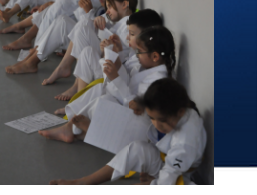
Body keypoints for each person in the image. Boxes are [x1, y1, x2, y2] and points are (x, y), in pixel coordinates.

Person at [48, 78, 207, 186]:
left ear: (180, 112)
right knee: (136, 148)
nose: (157, 124)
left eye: (162, 120)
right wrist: (142, 107)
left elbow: (171, 174)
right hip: (163, 157)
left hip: (179, 176)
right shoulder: (177, 108)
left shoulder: (185, 142)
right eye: (152, 117)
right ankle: (82, 182)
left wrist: (153, 183)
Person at [40, 25, 174, 145]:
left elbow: (135, 106)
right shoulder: (146, 66)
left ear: (155, 57)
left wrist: (116, 78)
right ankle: (75, 126)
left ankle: (76, 129)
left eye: (139, 52)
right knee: (100, 89)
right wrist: (117, 63)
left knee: (104, 100)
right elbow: (129, 84)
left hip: (138, 125)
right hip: (128, 105)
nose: (137, 55)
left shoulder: (158, 80)